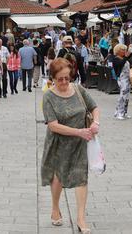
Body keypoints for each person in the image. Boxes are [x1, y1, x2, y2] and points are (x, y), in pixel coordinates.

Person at [41, 58, 100, 233]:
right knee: (58, 177)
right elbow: (53, 125)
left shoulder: (79, 89)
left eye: (67, 77)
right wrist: (78, 132)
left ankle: (81, 219)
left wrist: (96, 122)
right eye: (60, 79)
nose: (65, 82)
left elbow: (94, 106)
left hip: (80, 143)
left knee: (81, 177)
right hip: (59, 143)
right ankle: (55, 207)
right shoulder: (48, 97)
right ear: (53, 78)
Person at [111, 43, 132, 120]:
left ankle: (124, 112)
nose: (124, 51)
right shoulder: (116, 59)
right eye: (122, 50)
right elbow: (120, 64)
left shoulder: (124, 58)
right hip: (122, 79)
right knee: (122, 96)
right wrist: (126, 56)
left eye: (124, 49)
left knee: (126, 97)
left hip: (127, 78)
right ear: (118, 51)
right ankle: (119, 113)